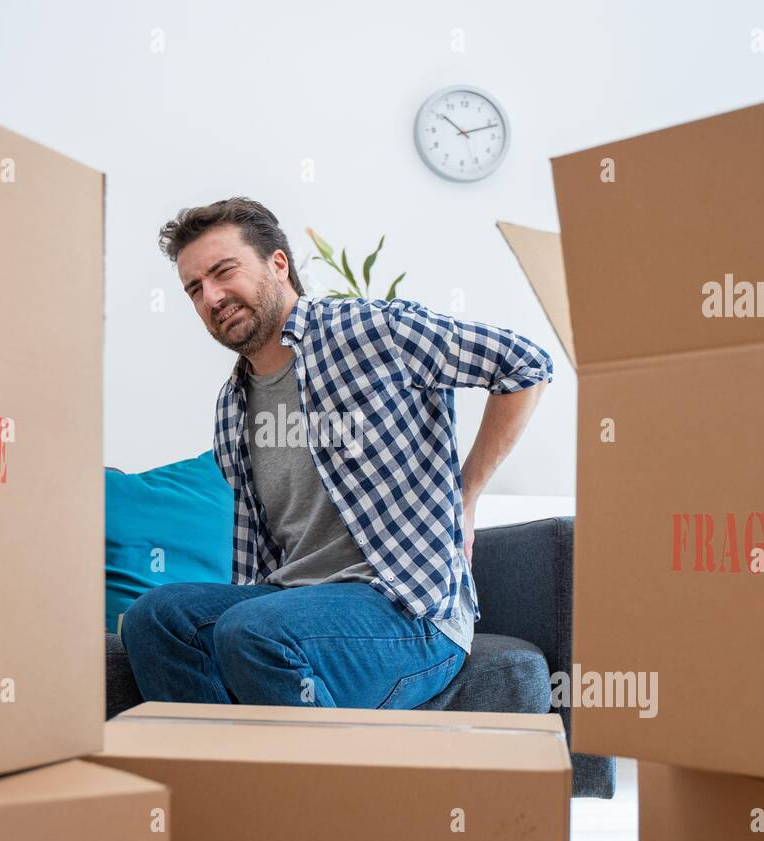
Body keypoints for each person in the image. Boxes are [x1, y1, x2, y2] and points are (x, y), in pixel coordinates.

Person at [121, 197, 552, 709]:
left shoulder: (371, 331)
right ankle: (223, 778)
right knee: (155, 616)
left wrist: (467, 493)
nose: (211, 296)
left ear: (278, 264)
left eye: (223, 271)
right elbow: (257, 556)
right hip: (294, 601)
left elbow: (524, 365)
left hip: (406, 611)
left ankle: (321, 782)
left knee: (253, 629)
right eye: (195, 288)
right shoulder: (232, 405)